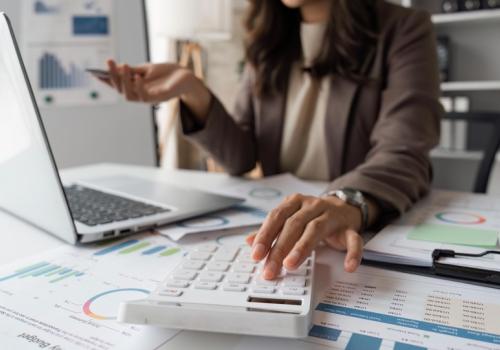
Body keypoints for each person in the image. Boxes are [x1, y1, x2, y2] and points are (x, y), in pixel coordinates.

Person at [100, 0, 442, 280]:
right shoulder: (267, 40)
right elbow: (241, 158)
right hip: (289, 229)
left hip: (356, 230)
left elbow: (404, 150)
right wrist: (193, 90)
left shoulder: (403, 29)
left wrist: (346, 201)